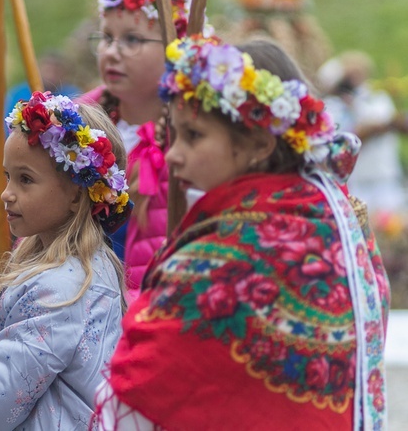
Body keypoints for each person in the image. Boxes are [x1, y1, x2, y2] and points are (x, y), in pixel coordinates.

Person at [92, 36, 390, 429]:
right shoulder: (336, 214)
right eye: (175, 134)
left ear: (259, 144)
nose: (173, 154)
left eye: (194, 135)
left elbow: (135, 389)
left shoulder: (219, 260)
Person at [0, 91, 132, 430]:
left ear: (77, 196)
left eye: (26, 179)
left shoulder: (58, 291)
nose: (7, 193)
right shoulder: (87, 267)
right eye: (8, 176)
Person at [78, 0, 209, 303]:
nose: (111, 51)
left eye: (132, 39)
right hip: (79, 303)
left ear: (176, 49)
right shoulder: (75, 126)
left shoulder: (191, 139)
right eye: (106, 37)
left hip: (157, 310)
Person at [317, 50, 408, 214]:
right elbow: (349, 138)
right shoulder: (333, 105)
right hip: (355, 182)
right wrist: (383, 125)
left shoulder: (378, 98)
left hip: (385, 177)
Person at [3, 50, 82, 118]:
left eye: (56, 71)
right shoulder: (19, 93)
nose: (51, 75)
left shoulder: (72, 95)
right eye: (48, 70)